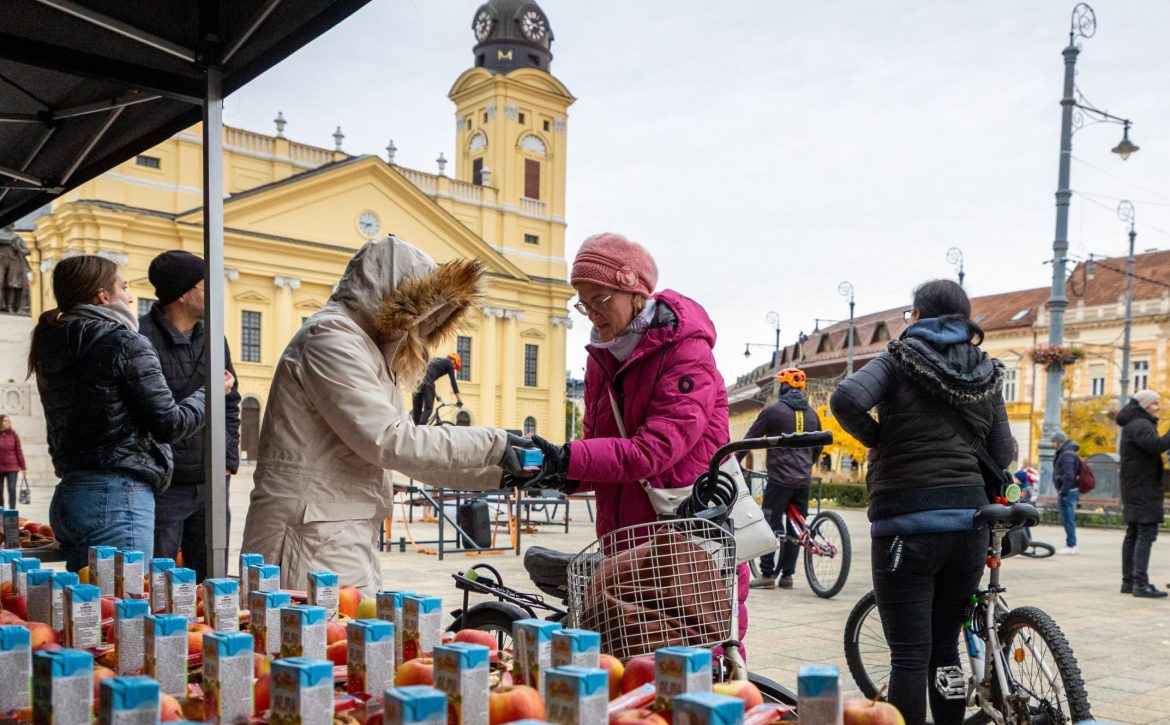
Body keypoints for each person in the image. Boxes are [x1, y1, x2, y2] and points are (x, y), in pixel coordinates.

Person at [240, 236, 536, 595]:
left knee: (349, 645)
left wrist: (500, 474)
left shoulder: (370, 351)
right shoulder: (330, 338)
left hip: (335, 529)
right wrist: (496, 444)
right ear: (391, 297)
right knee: (310, 647)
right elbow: (390, 441)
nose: (420, 330)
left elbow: (410, 458)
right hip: (307, 535)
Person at [524, 232, 748, 646]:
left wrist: (567, 458)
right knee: (623, 676)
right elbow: (600, 455)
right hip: (624, 547)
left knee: (697, 673)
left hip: (687, 546)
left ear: (636, 292)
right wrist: (552, 472)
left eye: (600, 301)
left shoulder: (687, 352)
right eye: (583, 303)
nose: (591, 314)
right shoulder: (602, 358)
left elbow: (652, 452)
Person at [830, 279, 1012, 725]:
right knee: (945, 647)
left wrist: (880, 438)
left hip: (905, 525)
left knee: (910, 655)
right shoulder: (986, 370)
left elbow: (846, 397)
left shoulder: (898, 358)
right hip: (968, 524)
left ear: (918, 314)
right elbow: (1003, 452)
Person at [28, 256, 228, 570]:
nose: (131, 297)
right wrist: (212, 392)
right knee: (124, 610)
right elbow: (170, 424)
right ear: (102, 296)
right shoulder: (125, 342)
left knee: (90, 611)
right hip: (118, 498)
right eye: (123, 287)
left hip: (73, 494)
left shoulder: (51, 341)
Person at [138, 251, 242, 581]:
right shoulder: (140, 339)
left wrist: (227, 460)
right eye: (206, 284)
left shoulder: (213, 337)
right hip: (164, 488)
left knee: (213, 584)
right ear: (183, 293)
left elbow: (231, 401)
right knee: (160, 583)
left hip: (212, 484)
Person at [742, 368, 823, 591]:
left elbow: (750, 439)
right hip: (803, 480)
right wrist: (806, 464)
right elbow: (818, 447)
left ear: (784, 387)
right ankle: (787, 576)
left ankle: (767, 574)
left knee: (769, 521)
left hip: (779, 479)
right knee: (796, 526)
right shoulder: (813, 415)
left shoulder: (774, 411)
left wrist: (734, 463)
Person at [1117, 390, 1170, 598]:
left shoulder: (1135, 423)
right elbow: (1157, 445)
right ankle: (1140, 584)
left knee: (1133, 533)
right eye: (1155, 403)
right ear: (1146, 405)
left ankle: (1128, 582)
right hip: (1143, 489)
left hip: (1135, 487)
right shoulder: (1140, 424)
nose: (1158, 407)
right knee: (1145, 533)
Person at [411, 353, 464, 424]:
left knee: (417, 411)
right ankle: (420, 429)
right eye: (454, 367)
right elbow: (453, 382)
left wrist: (436, 395)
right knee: (428, 408)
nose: (453, 368)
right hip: (426, 380)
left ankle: (414, 429)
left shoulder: (438, 360)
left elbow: (430, 380)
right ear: (454, 361)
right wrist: (459, 399)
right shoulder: (449, 363)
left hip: (416, 380)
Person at [1051, 432, 1081, 555]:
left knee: (1068, 518)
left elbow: (1069, 475)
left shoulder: (1066, 454)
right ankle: (1071, 544)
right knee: (1067, 518)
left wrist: (1063, 492)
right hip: (1068, 491)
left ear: (1059, 441)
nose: (1051, 444)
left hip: (1068, 492)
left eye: (1053, 441)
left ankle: (1071, 545)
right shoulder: (1066, 453)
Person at [0, 415, 26, 509]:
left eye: (8, 421)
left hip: (12, 467)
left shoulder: (14, 435)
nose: (7, 423)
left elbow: (18, 451)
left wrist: (23, 467)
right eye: (5, 421)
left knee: (12, 489)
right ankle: (0, 512)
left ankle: (12, 512)